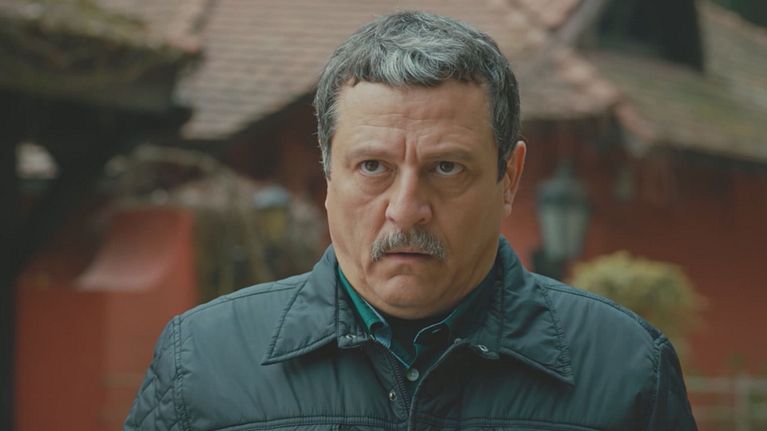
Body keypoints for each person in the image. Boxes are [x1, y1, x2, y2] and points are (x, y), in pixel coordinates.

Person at [125, 11, 697, 430]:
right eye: (373, 166)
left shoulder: (626, 371)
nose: (405, 208)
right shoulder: (202, 363)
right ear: (328, 174)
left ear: (510, 177)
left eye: (446, 168)